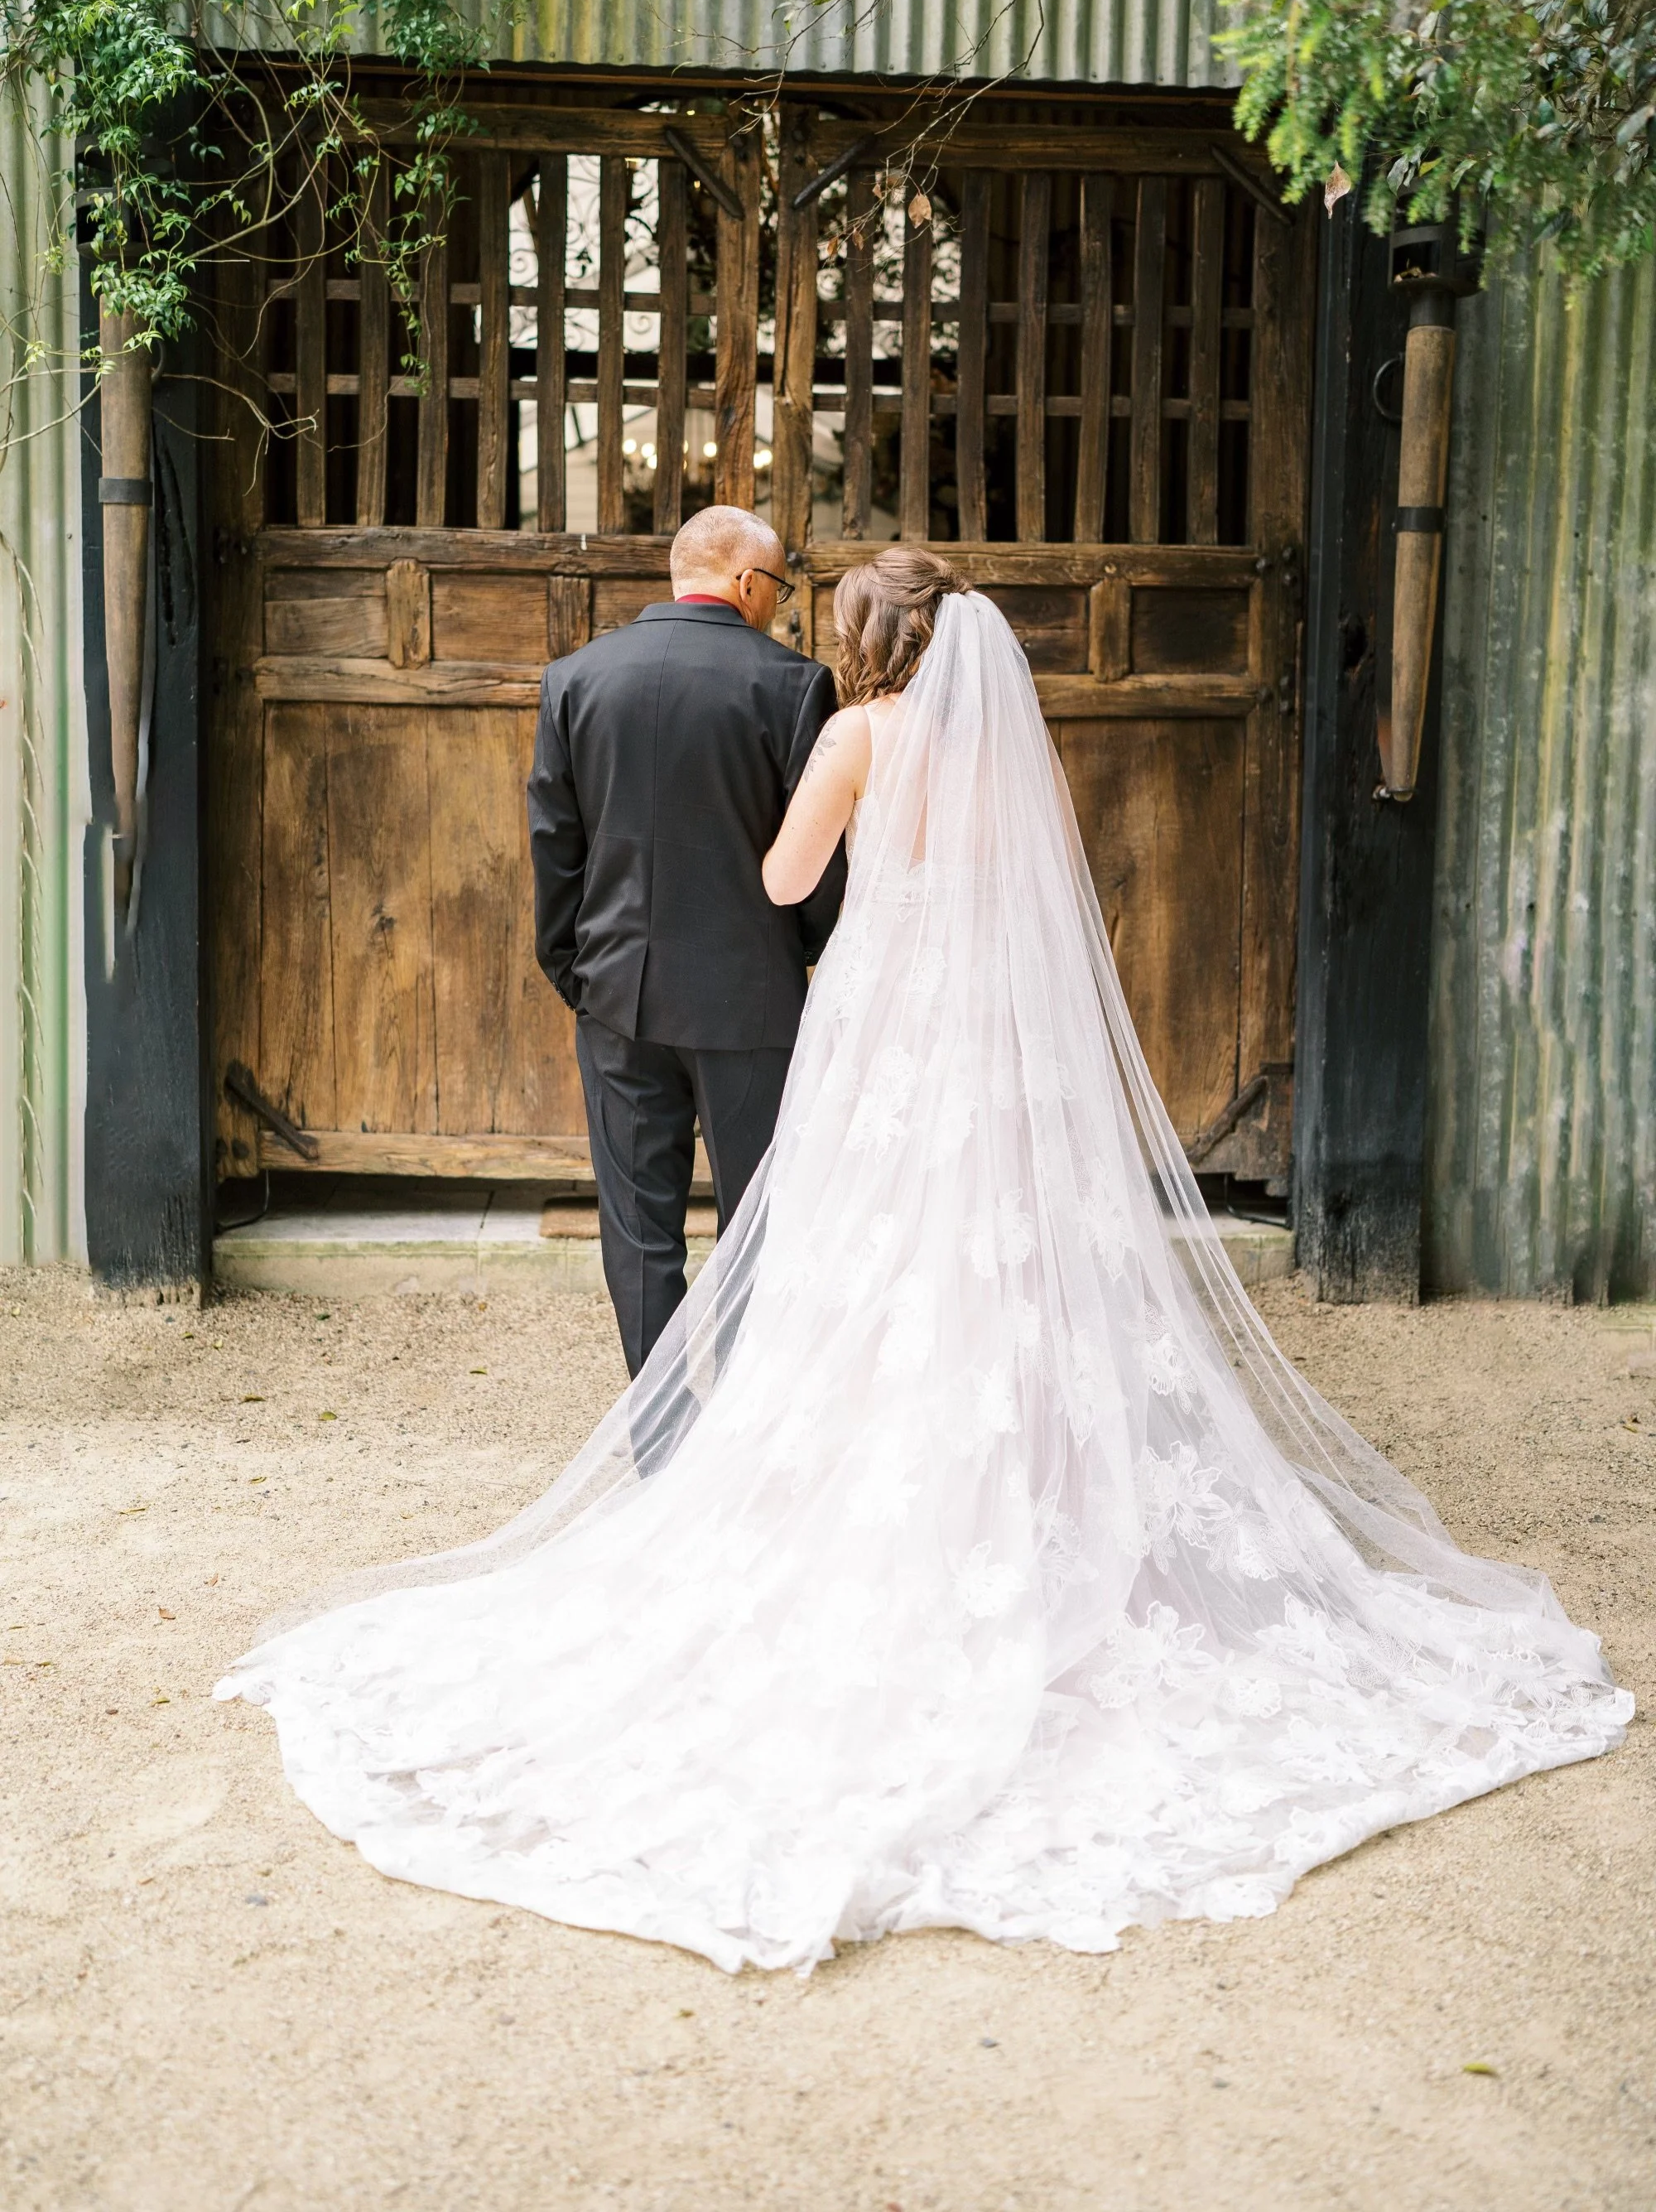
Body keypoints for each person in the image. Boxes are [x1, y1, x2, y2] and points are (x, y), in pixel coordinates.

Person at [218, 552, 1630, 1976]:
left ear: (866, 640)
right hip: (997, 1055)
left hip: (886, 1044)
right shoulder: (1008, 756)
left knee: (868, 1265)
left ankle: (863, 1499)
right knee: (1003, 1264)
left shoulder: (855, 736)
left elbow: (785, 875)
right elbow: (1051, 900)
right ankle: (1031, 1502)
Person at [527, 504, 844, 1387]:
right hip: (751, 1002)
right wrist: (806, 955)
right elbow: (814, 860)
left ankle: (661, 1441)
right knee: (755, 1224)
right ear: (746, 582)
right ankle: (740, 1437)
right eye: (776, 588)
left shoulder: (575, 679)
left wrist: (578, 973)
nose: (775, 606)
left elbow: (555, 844)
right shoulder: (791, 685)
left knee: (636, 1230)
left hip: (617, 996)